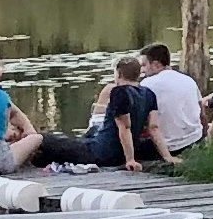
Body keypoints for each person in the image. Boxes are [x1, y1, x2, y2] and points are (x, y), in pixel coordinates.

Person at [36, 54, 165, 168]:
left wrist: (130, 160)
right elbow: (153, 127)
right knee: (86, 134)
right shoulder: (149, 94)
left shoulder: (119, 92)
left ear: (119, 74)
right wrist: (167, 156)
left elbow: (125, 127)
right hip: (116, 152)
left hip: (101, 153)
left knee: (45, 139)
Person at [138, 43, 203, 160]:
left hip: (169, 146)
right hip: (194, 140)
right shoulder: (189, 80)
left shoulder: (146, 85)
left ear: (156, 65)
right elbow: (202, 113)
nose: (142, 70)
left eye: (144, 65)